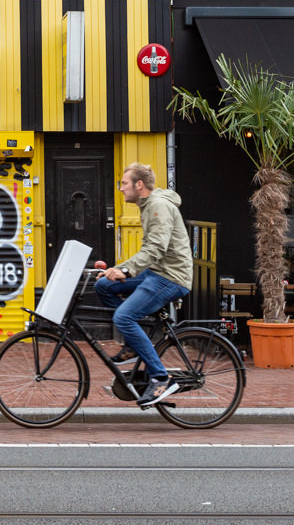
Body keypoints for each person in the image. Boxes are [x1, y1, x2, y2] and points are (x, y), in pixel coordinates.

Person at [94, 163, 194, 407]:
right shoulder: (148, 206)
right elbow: (148, 251)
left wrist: (126, 270)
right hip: (156, 272)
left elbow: (156, 248)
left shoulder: (158, 206)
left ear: (139, 185)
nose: (120, 189)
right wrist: (115, 271)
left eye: (124, 183)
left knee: (123, 317)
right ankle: (135, 343)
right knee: (104, 287)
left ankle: (161, 379)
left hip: (171, 276)